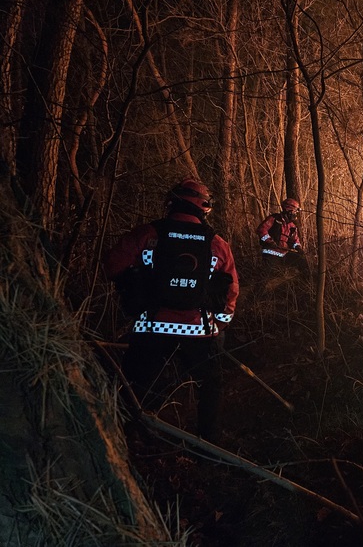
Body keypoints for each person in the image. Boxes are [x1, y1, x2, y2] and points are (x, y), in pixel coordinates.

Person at [103, 177, 239, 442]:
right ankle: (208, 442)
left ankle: (132, 438)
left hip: (151, 326)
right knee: (209, 386)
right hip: (199, 331)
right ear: (204, 207)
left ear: (172, 202)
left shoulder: (147, 233)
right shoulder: (217, 243)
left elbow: (112, 266)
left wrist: (135, 279)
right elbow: (231, 290)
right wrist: (220, 324)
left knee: (138, 387)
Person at [256, 197, 309, 278]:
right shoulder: (274, 219)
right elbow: (261, 230)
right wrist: (269, 241)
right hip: (271, 253)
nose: (295, 214)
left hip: (284, 254)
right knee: (269, 277)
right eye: (294, 211)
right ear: (288, 210)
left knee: (301, 260)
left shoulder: (292, 226)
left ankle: (306, 280)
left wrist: (298, 247)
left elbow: (295, 240)